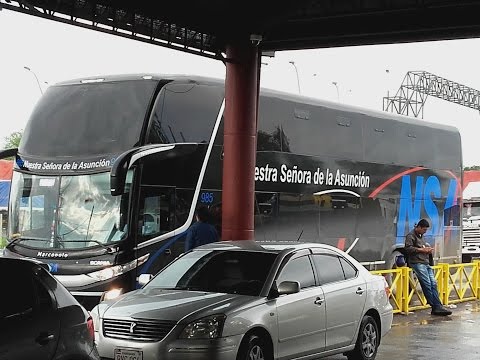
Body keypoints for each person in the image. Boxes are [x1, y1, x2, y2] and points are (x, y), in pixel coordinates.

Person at [404, 219, 452, 316]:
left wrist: (428, 250)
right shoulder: (411, 236)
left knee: (433, 283)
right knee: (427, 284)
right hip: (417, 262)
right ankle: (434, 306)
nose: (425, 232)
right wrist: (422, 250)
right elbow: (408, 249)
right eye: (424, 230)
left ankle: (438, 305)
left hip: (425, 262)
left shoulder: (421, 236)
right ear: (419, 227)